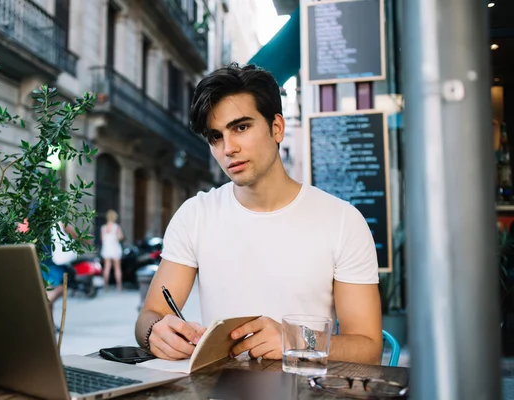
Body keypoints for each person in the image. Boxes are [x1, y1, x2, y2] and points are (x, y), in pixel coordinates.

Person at [134, 63, 383, 365]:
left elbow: (368, 348)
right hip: (218, 390)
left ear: (277, 128)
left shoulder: (342, 221)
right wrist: (156, 332)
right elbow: (150, 315)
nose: (228, 148)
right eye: (215, 137)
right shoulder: (196, 215)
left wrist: (295, 339)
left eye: (241, 127)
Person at [100, 209, 124, 291]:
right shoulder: (116, 227)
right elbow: (121, 237)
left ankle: (105, 286)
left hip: (107, 249)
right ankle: (119, 287)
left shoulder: (103, 227)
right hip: (115, 249)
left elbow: (102, 239)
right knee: (117, 268)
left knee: (107, 268)